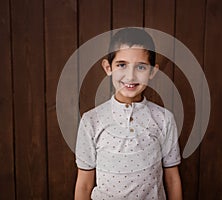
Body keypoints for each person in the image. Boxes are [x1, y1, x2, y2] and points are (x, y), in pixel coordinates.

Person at [74, 27, 182, 200]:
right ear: (108, 67)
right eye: (122, 65)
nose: (130, 76)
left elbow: (172, 178)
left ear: (152, 71)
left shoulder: (164, 119)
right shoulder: (92, 120)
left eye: (141, 67)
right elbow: (84, 185)